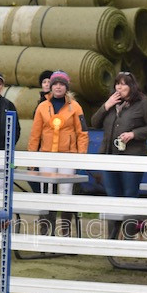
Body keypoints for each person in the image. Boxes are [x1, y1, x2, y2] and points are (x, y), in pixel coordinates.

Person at [90, 71, 147, 239]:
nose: (119, 87)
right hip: (109, 157)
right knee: (113, 196)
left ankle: (129, 238)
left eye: (124, 84)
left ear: (132, 86)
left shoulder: (143, 103)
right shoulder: (111, 104)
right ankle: (112, 241)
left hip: (132, 157)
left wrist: (134, 134)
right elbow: (94, 123)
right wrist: (106, 105)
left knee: (129, 194)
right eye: (117, 84)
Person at [28, 70, 89, 236]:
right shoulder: (42, 107)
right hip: (46, 155)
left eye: (62, 84)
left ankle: (65, 231)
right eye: (55, 84)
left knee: (65, 192)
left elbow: (82, 133)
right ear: (51, 86)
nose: (58, 87)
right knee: (46, 192)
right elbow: (35, 134)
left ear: (66, 87)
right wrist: (32, 159)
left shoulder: (75, 107)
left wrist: (80, 157)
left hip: (68, 156)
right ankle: (45, 230)